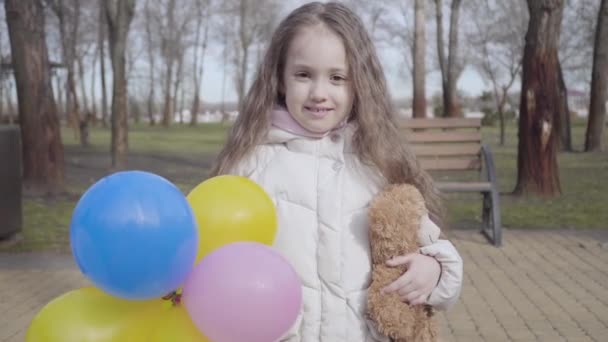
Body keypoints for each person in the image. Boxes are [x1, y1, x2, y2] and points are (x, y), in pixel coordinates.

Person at [209, 2, 463, 341]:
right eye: (303, 75)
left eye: (337, 78)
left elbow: (432, 245)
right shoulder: (248, 167)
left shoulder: (378, 164)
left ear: (359, 83)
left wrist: (436, 269)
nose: (319, 93)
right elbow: (211, 263)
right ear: (280, 80)